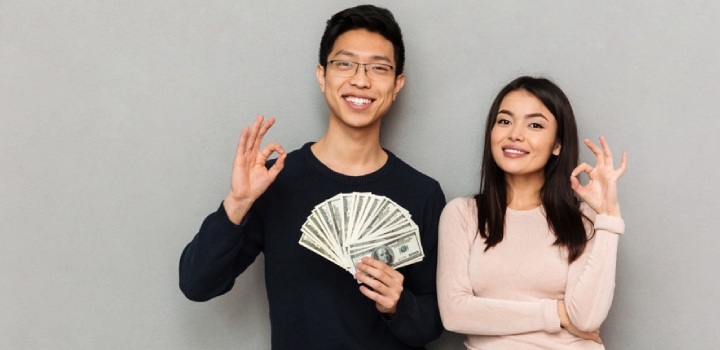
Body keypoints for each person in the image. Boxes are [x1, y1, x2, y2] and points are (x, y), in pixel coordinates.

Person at [179, 5, 445, 349]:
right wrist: (237, 204)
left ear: (397, 85)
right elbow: (196, 284)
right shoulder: (278, 182)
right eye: (345, 63)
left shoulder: (422, 194)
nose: (361, 80)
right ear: (322, 76)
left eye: (379, 68)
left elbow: (434, 325)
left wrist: (399, 305)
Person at [436, 76, 627, 349]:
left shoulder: (583, 219)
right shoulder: (463, 214)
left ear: (557, 145)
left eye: (535, 125)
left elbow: (586, 319)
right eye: (504, 121)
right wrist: (558, 314)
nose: (515, 134)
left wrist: (608, 217)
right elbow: (455, 313)